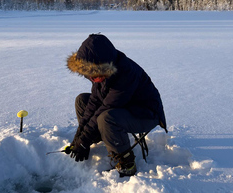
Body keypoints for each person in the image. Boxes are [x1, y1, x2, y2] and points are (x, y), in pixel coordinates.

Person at [66, 34, 167, 177]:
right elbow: (94, 102)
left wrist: (84, 140)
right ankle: (100, 136)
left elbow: (105, 107)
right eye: (90, 76)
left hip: (146, 113)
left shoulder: (126, 74)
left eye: (95, 75)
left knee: (106, 118)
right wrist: (79, 138)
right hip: (125, 107)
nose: (94, 80)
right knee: (82, 100)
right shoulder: (103, 71)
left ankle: (127, 164)